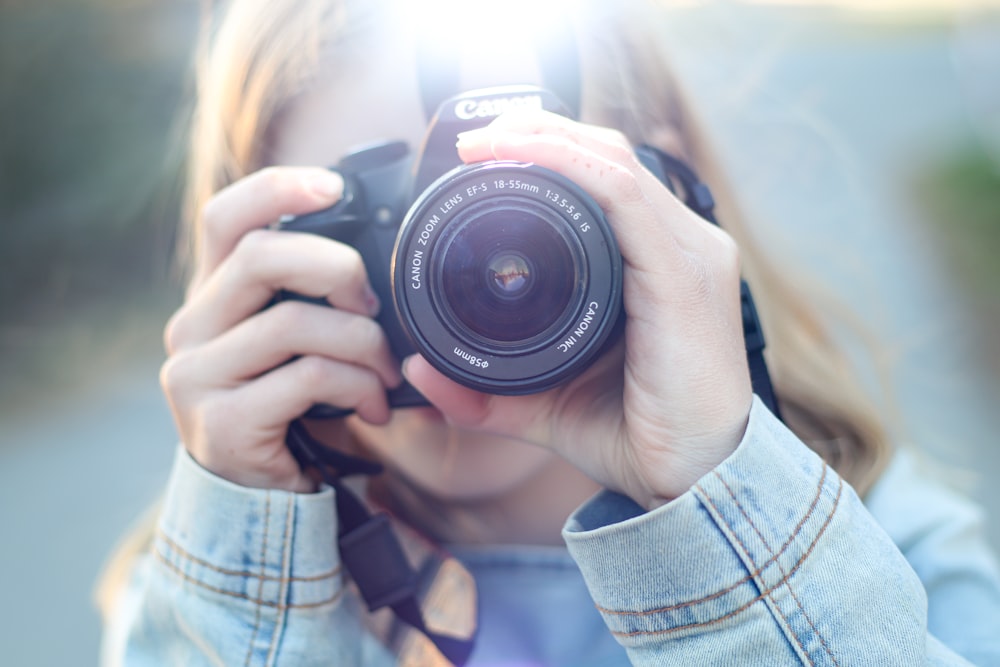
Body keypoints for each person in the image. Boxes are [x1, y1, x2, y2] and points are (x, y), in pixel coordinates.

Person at [97, 0, 1000, 664]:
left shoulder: (889, 550)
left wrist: (727, 511)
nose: (453, 301)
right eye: (394, 230)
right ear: (256, 265)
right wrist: (243, 572)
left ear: (664, 186)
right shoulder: (211, 599)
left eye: (516, 205)